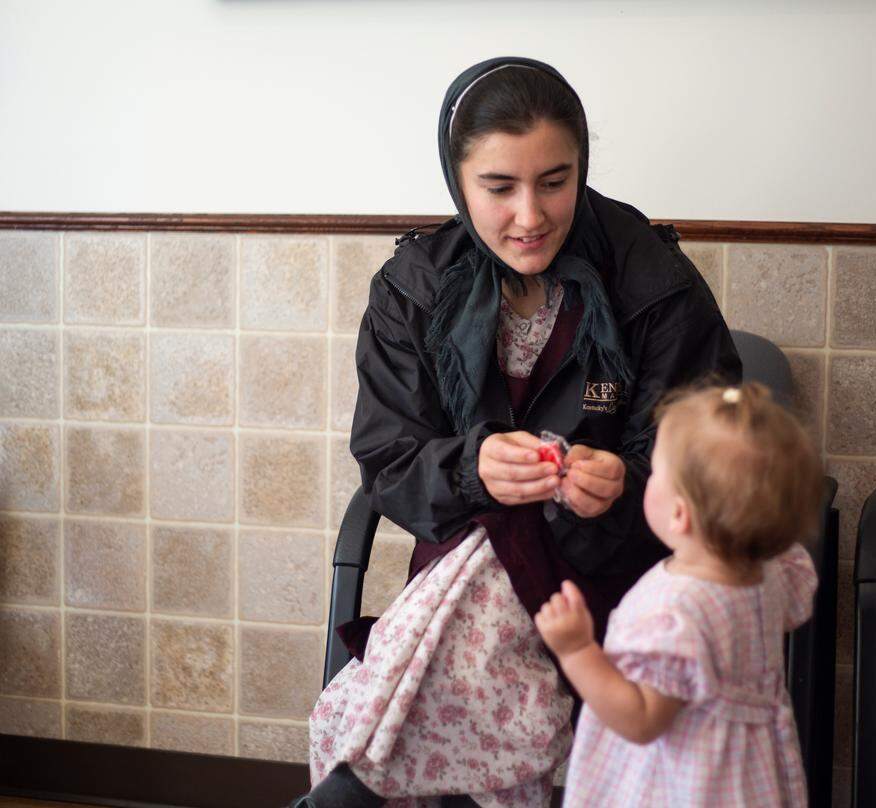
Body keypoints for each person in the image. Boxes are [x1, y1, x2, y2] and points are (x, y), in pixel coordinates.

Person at [295, 57, 739, 808]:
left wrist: (626, 483)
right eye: (499, 188)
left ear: (583, 168)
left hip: (619, 575)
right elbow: (390, 459)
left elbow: (714, 461)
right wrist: (471, 469)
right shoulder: (416, 288)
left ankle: (359, 785)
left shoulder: (655, 283)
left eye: (555, 182)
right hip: (465, 565)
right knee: (485, 587)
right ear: (457, 183)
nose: (530, 216)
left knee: (449, 645)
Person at [535, 382, 823, 807]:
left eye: (656, 471)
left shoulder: (672, 612)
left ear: (678, 513)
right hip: (753, 777)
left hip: (681, 785)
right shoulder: (775, 571)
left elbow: (641, 720)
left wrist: (577, 651)